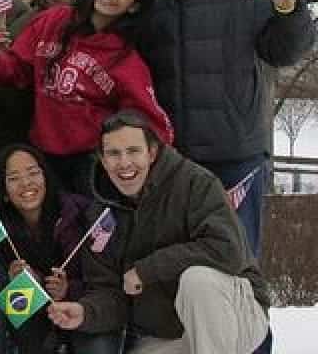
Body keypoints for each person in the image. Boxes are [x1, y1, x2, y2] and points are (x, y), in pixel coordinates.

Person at [138, 0, 314, 256]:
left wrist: (290, 10)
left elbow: (284, 51)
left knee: (238, 263)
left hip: (235, 155)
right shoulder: (145, 3)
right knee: (178, 267)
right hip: (172, 160)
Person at [46, 112, 270, 354]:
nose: (124, 163)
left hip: (234, 315)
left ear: (151, 153)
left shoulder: (194, 183)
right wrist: (86, 312)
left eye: (133, 151)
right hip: (169, 335)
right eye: (113, 153)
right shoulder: (101, 216)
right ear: (102, 159)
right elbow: (111, 293)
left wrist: (147, 270)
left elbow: (228, 250)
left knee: (197, 281)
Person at [0, 0, 175, 195]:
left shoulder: (126, 59)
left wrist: (164, 171)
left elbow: (150, 122)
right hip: (42, 154)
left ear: (134, 6)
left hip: (90, 164)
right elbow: (17, 69)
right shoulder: (54, 20)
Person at [0, 144, 119, 354]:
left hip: (83, 310)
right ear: (4, 192)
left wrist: (68, 289)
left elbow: (107, 283)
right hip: (36, 321)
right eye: (13, 178)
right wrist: (16, 279)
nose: (26, 183)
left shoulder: (82, 213)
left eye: (33, 173)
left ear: (46, 177)